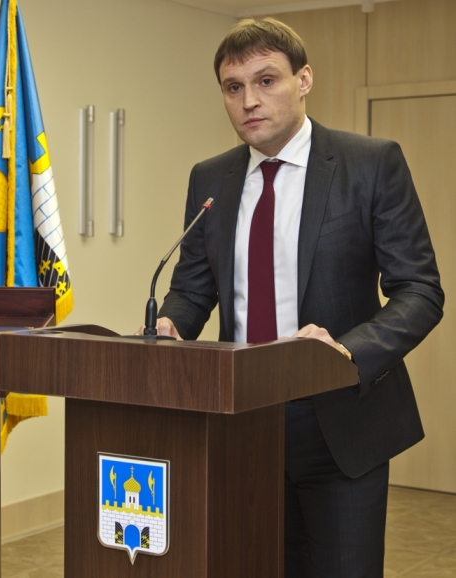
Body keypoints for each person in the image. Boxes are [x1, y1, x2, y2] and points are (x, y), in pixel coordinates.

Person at [148, 17, 444, 578]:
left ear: (303, 80)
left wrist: (347, 351)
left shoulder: (370, 163)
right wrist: (171, 323)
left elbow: (420, 290)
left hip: (340, 418)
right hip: (240, 420)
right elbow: (192, 287)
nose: (249, 101)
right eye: (233, 87)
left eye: (266, 81)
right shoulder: (210, 179)